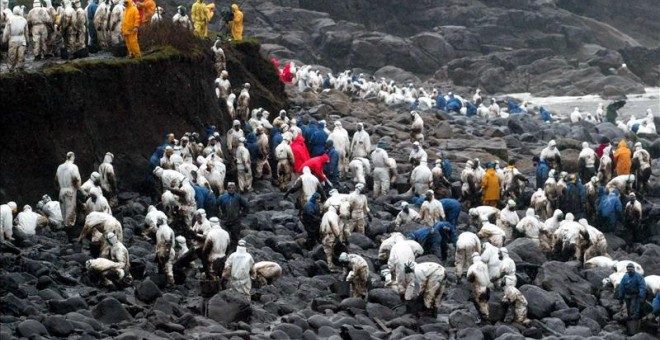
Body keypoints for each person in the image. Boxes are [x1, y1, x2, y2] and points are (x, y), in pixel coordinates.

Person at [217, 183, 248, 248]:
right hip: (225, 221)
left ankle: (234, 251)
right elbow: (215, 205)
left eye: (233, 188)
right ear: (227, 189)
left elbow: (246, 205)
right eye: (230, 188)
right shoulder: (222, 197)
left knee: (235, 238)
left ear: (235, 189)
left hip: (235, 221)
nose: (231, 189)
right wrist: (219, 215)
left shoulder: (238, 197)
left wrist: (242, 214)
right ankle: (225, 249)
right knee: (224, 236)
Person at [56, 152, 81, 228]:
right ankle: (70, 231)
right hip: (70, 190)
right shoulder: (73, 167)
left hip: (61, 190)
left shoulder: (59, 167)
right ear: (72, 157)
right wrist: (78, 188)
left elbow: (55, 179)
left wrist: (58, 188)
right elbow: (76, 178)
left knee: (63, 211)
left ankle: (64, 229)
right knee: (70, 213)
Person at [3, 6, 28, 71]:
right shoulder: (24, 20)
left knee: (12, 55)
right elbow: (26, 31)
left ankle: (11, 69)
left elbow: (6, 31)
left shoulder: (10, 20)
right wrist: (27, 40)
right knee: (21, 55)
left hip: (13, 39)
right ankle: (20, 68)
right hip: (22, 39)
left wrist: (4, 40)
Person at [467, 252, 490, 321]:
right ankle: (487, 316)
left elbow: (469, 278)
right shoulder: (485, 265)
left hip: (479, 288)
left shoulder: (472, 267)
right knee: (485, 302)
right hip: (487, 287)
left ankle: (484, 318)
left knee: (480, 303)